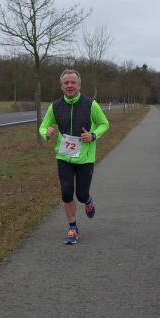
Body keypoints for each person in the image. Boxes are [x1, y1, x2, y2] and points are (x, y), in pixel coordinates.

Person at [39, 69, 110, 244]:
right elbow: (43, 126)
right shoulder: (55, 106)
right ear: (61, 86)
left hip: (85, 158)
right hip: (64, 157)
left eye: (73, 82)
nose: (70, 85)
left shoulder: (90, 104)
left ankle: (88, 200)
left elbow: (104, 124)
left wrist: (93, 135)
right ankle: (72, 227)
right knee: (66, 192)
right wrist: (46, 133)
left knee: (81, 194)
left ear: (79, 85)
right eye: (66, 83)